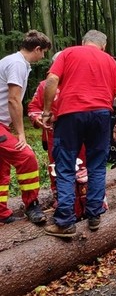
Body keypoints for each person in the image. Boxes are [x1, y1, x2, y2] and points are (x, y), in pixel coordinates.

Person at [42, 29, 116, 237]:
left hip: (70, 114)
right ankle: (94, 215)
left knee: (65, 166)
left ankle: (65, 221)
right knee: (97, 166)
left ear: (83, 42)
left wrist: (46, 111)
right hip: (101, 115)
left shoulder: (68, 53)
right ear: (103, 46)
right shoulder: (109, 60)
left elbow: (52, 80)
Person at [27, 51, 89, 216]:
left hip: (80, 137)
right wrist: (38, 118)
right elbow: (33, 108)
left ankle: (86, 203)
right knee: (57, 169)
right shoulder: (44, 86)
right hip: (54, 136)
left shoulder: (81, 84)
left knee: (82, 167)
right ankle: (63, 203)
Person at [0, 29, 51, 224]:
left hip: (3, 125)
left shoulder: (13, 61)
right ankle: (32, 205)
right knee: (27, 157)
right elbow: (14, 100)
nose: (43, 56)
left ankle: (1, 212)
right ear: (37, 49)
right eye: (43, 51)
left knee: (2, 167)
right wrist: (21, 134)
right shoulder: (17, 64)